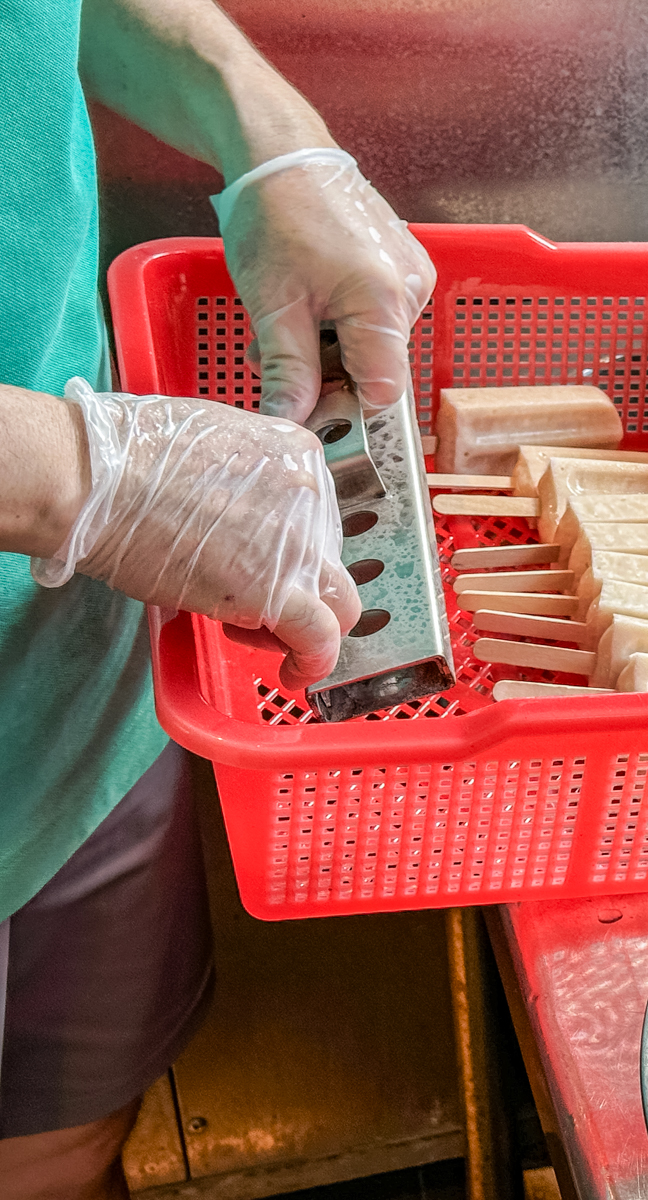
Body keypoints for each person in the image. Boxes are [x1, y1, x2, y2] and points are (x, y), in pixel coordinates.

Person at [0, 0, 435, 1194]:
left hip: (63, 687)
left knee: (59, 1138)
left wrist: (261, 123)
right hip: (90, 509)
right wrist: (77, 476)